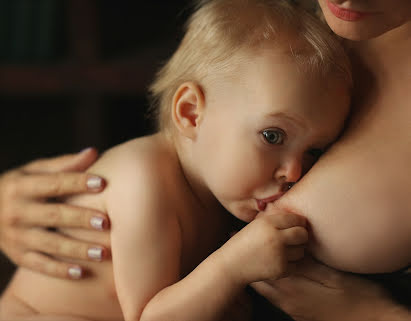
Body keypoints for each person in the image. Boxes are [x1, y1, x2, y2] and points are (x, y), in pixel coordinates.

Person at [0, 1, 352, 320]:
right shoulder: (144, 180)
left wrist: (211, 294)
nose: (294, 172)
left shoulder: (218, 191)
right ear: (191, 113)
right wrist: (230, 269)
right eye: (272, 136)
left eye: (313, 151)